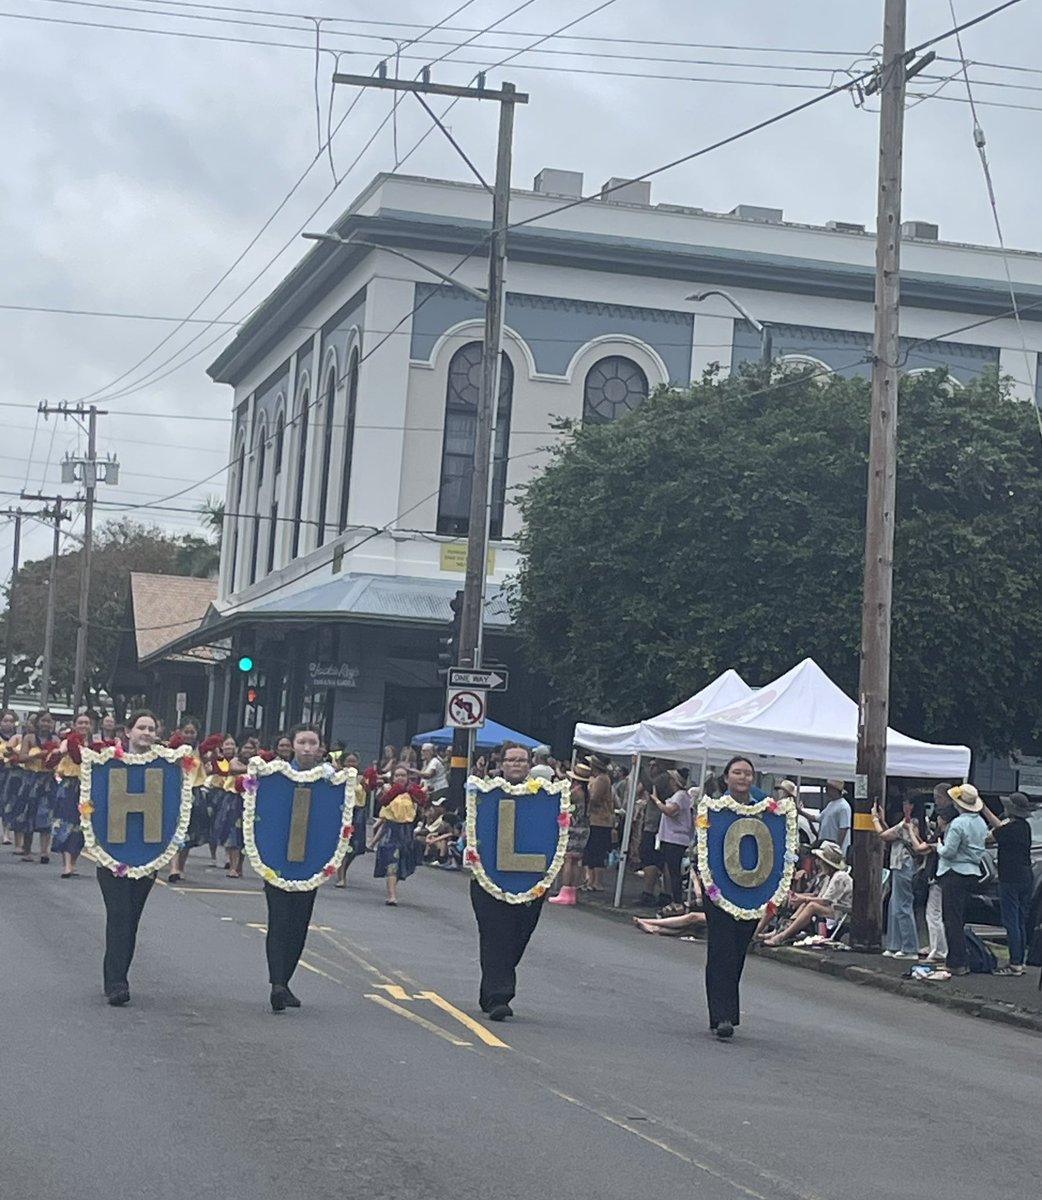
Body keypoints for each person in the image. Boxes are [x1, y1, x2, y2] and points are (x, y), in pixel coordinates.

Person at [470, 743, 546, 1021]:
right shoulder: (484, 792)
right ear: (501, 763)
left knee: (518, 937)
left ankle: (490, 988)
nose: (517, 764)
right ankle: (498, 997)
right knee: (495, 935)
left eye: (522, 760)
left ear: (530, 764)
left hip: (530, 881)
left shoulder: (543, 796)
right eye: (512, 759)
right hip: (488, 878)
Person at [264, 724, 334, 1012]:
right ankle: (277, 983)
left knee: (299, 925)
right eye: (302, 742)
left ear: (320, 747)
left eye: (312, 742)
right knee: (279, 921)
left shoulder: (329, 780)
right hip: (277, 862)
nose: (307, 748)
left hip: (309, 863)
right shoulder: (275, 775)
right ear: (292, 745)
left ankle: (285, 980)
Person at [96, 710, 162, 1007]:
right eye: (141, 727)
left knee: (131, 920)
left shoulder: (165, 765)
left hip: (146, 858)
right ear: (128, 731)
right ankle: (116, 983)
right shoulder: (109, 761)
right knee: (119, 916)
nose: (146, 733)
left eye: (151, 728)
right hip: (112, 857)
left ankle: (119, 974)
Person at [701, 756, 769, 1040]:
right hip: (717, 890)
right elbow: (702, 847)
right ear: (726, 777)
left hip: (751, 889)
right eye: (737, 772)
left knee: (738, 949)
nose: (742, 777)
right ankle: (722, 1015)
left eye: (747, 773)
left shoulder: (764, 809)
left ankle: (725, 1009)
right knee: (722, 949)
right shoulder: (714, 808)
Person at [936, 783, 989, 977]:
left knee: (951, 919)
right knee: (960, 917)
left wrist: (939, 846)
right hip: (972, 872)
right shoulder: (981, 823)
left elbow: (949, 852)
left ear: (958, 804)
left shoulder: (958, 824)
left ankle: (956, 962)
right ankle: (962, 959)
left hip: (954, 872)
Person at [981, 791, 1034, 977]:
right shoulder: (1024, 827)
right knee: (1019, 919)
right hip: (1026, 876)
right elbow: (1000, 827)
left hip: (1010, 878)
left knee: (1010, 921)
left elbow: (989, 837)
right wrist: (986, 810)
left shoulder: (1008, 829)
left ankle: (1014, 964)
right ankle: (1020, 961)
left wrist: (984, 810)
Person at [762, 842, 852, 946]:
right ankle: (780, 931)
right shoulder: (829, 877)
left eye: (821, 860)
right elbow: (819, 897)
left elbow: (825, 901)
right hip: (832, 908)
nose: (818, 863)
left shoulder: (839, 877)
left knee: (811, 906)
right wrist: (798, 896)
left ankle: (782, 936)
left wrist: (803, 898)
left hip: (841, 911)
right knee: (805, 904)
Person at [872, 792, 925, 959]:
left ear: (912, 806)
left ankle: (909, 947)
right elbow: (892, 833)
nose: (904, 806)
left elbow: (884, 835)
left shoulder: (908, 823)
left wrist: (875, 819)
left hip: (903, 865)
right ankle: (895, 945)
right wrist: (882, 820)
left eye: (907, 803)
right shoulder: (917, 822)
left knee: (902, 906)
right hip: (902, 865)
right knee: (895, 905)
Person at [369, 764, 420, 904]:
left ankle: (392, 888)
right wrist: (374, 840)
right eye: (397, 775)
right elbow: (384, 816)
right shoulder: (388, 790)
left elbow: (421, 802)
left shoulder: (411, 792)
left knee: (403, 864)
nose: (400, 778)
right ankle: (391, 896)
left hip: (407, 831)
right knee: (392, 863)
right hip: (392, 830)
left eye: (403, 775)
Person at [52, 712, 95, 878]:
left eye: (86, 723)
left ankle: (73, 862)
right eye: (81, 723)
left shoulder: (93, 742)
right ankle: (67, 865)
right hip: (70, 786)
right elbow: (69, 756)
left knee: (84, 822)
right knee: (67, 821)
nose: (84, 725)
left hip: (88, 787)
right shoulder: (68, 741)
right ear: (75, 725)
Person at [548, 762, 590, 905]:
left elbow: (563, 800)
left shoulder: (576, 792)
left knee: (568, 859)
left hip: (573, 827)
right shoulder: (587, 793)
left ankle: (565, 889)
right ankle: (572, 892)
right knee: (576, 860)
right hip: (584, 828)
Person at [652, 772, 694, 913]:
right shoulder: (682, 795)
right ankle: (674, 898)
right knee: (672, 869)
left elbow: (670, 810)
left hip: (675, 838)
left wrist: (657, 801)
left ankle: (677, 900)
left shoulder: (680, 796)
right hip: (672, 837)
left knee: (674, 870)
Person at [582, 753, 615, 893]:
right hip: (596, 820)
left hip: (601, 820)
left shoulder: (602, 779)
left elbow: (595, 798)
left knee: (597, 851)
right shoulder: (599, 778)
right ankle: (591, 880)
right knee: (591, 851)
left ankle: (596, 882)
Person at [817, 779, 852, 854]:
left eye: (828, 788)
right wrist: (801, 811)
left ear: (834, 790)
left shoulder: (844, 806)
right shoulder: (830, 804)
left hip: (833, 848)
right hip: (826, 845)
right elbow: (818, 818)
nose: (826, 790)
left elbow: (843, 828)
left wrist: (837, 847)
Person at [418, 742, 449, 808]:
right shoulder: (425, 762)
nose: (421, 753)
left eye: (424, 751)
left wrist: (414, 772)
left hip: (439, 790)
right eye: (421, 750)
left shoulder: (435, 761)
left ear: (431, 752)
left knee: (435, 809)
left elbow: (428, 775)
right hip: (430, 790)